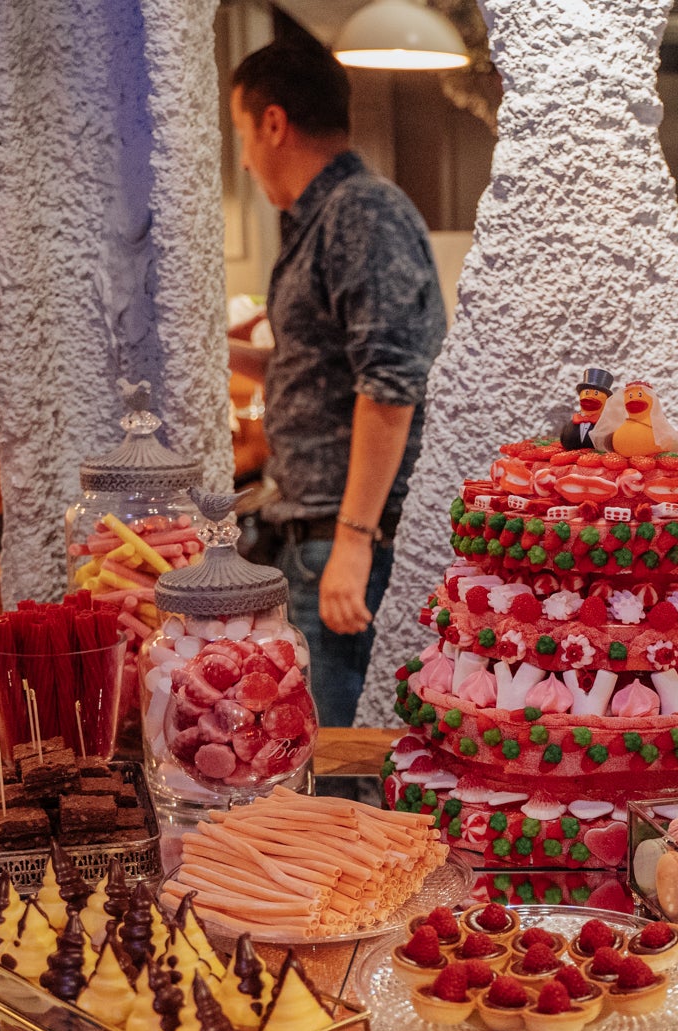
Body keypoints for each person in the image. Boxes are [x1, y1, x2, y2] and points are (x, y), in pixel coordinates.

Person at [227, 38, 446, 727]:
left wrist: (352, 542)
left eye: (241, 132)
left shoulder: (360, 211)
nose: (243, 156)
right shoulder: (322, 216)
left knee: (344, 760)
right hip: (316, 531)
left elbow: (389, 384)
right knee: (317, 748)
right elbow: (321, 369)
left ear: (273, 123)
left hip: (349, 538)